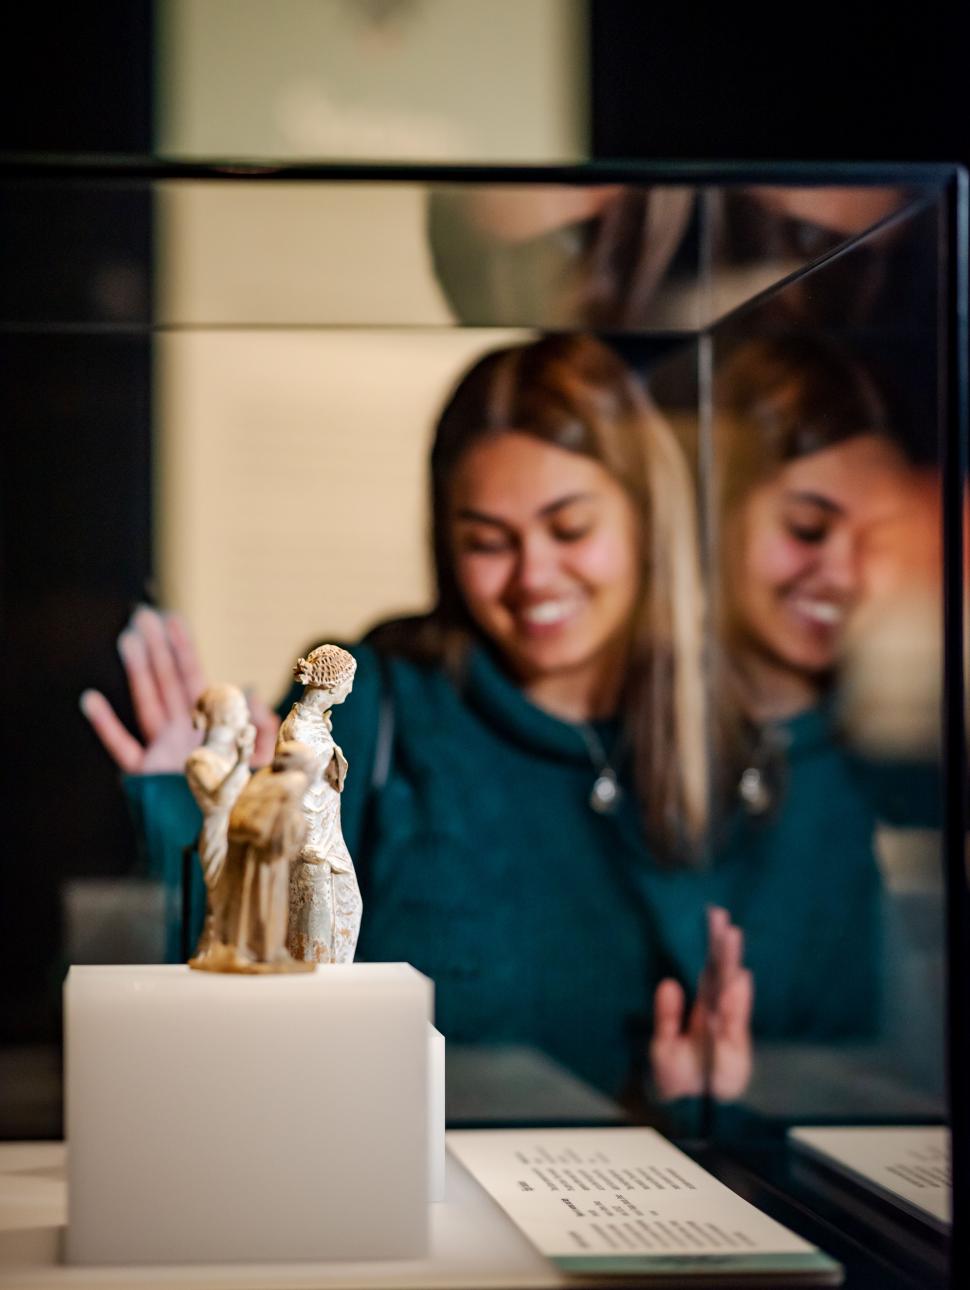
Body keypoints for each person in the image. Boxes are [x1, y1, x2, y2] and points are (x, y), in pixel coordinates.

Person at [83, 333, 753, 1109]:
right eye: (486, 542)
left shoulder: (721, 736)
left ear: (648, 523)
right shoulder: (376, 705)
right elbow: (236, 1004)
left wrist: (706, 1111)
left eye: (570, 529)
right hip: (397, 1192)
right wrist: (199, 821)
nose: (533, 575)